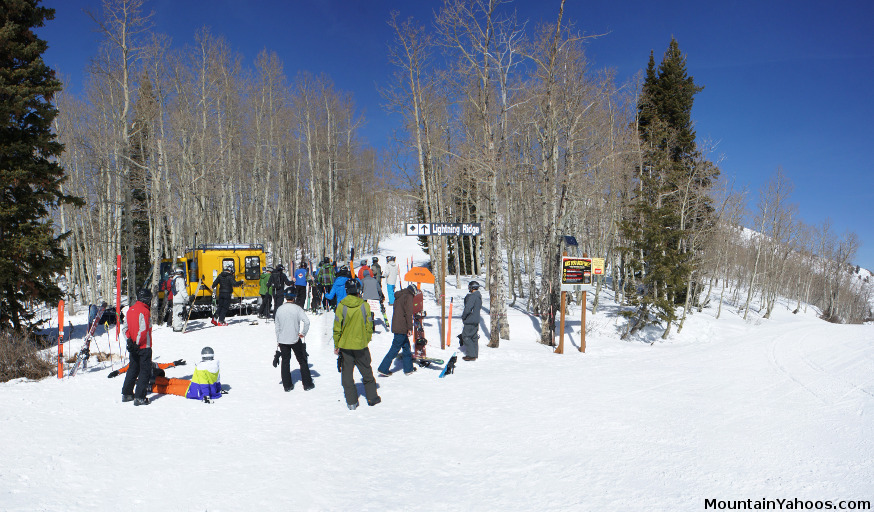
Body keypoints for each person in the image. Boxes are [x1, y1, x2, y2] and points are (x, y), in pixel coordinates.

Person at [333, 278, 380, 410]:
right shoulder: (364, 305)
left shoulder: (341, 306)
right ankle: (372, 398)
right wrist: (366, 339)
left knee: (347, 375)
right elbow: (369, 325)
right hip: (361, 346)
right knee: (367, 372)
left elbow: (337, 327)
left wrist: (337, 344)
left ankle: (351, 402)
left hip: (346, 346)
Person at [109, 356, 221, 403]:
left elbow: (163, 366)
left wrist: (175, 363)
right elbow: (125, 369)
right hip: (143, 382)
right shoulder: (134, 365)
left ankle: (152, 383)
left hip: (153, 379)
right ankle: (150, 386)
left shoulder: (150, 363)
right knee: (167, 388)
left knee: (167, 381)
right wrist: (116, 372)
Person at [274, 287, 313, 392]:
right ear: (294, 297)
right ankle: (307, 384)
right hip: (295, 338)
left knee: (285, 361)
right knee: (302, 360)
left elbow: (277, 326)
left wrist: (278, 339)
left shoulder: (279, 309)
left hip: (282, 339)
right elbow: (307, 322)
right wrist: (303, 333)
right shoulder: (297, 308)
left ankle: (287, 385)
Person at [121, 288, 154, 406]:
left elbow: (125, 328)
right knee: (144, 371)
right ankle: (140, 397)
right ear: (146, 299)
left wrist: (129, 341)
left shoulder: (130, 310)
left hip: (134, 347)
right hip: (144, 346)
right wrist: (136, 343)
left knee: (133, 368)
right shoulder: (144, 311)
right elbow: (144, 329)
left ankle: (127, 393)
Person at [377, 283, 418, 377]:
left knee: (406, 348)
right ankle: (383, 368)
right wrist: (409, 328)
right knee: (395, 349)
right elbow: (408, 313)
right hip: (402, 327)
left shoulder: (400, 296)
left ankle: (408, 369)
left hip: (397, 325)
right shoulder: (408, 296)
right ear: (413, 291)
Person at [460, 280, 483, 361]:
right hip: (476, 319)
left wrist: (464, 317)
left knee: (466, 336)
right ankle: (475, 354)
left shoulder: (473, 296)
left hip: (470, 319)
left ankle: (471, 355)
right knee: (474, 337)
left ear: (471, 287)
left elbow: (468, 308)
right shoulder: (478, 296)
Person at [171, 268, 189, 332]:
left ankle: (174, 325)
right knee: (179, 314)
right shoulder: (180, 279)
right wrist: (187, 298)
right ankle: (178, 327)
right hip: (179, 299)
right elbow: (182, 290)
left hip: (175, 299)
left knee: (175, 314)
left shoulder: (174, 279)